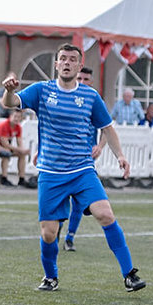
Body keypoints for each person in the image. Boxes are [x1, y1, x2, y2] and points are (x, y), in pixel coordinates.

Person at [0, 43, 145, 293]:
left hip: (82, 170)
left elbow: (107, 128)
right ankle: (50, 277)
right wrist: (9, 91)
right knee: (49, 233)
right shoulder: (41, 90)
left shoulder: (89, 96)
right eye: (63, 59)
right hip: (51, 173)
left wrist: (120, 155)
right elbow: (10, 103)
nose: (67, 63)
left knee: (105, 214)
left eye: (72, 59)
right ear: (56, 64)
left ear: (79, 66)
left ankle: (129, 274)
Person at [61, 65, 105, 252]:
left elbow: (107, 128)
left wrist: (100, 146)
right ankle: (55, 233)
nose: (82, 82)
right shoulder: (64, 98)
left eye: (86, 79)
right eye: (79, 79)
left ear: (91, 81)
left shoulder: (93, 100)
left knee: (79, 202)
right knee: (61, 199)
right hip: (62, 157)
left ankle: (70, 237)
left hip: (85, 158)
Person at [0, 108, 31, 187]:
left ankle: (21, 178)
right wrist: (20, 149)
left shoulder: (18, 128)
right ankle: (4, 177)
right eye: (15, 116)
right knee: (6, 152)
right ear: (10, 116)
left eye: (18, 117)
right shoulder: (4, 125)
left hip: (6, 147)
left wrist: (22, 150)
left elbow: (19, 143)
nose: (16, 119)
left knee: (22, 154)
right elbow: (5, 144)